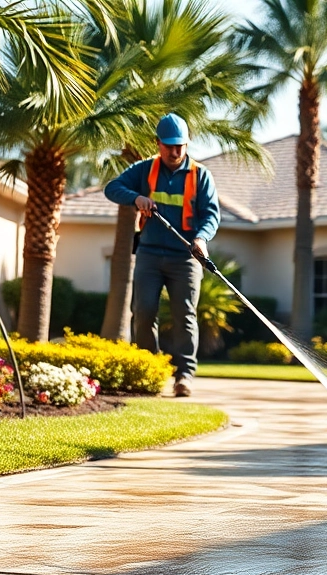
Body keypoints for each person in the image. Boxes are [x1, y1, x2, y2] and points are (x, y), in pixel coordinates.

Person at [104, 113, 220, 397]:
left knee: (185, 315)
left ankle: (184, 377)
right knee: (143, 312)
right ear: (158, 144)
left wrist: (201, 239)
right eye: (169, 145)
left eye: (180, 145)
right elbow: (112, 188)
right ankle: (150, 371)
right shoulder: (145, 170)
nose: (175, 151)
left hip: (186, 258)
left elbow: (211, 215)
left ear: (187, 144)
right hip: (150, 254)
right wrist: (136, 198)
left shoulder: (200, 176)